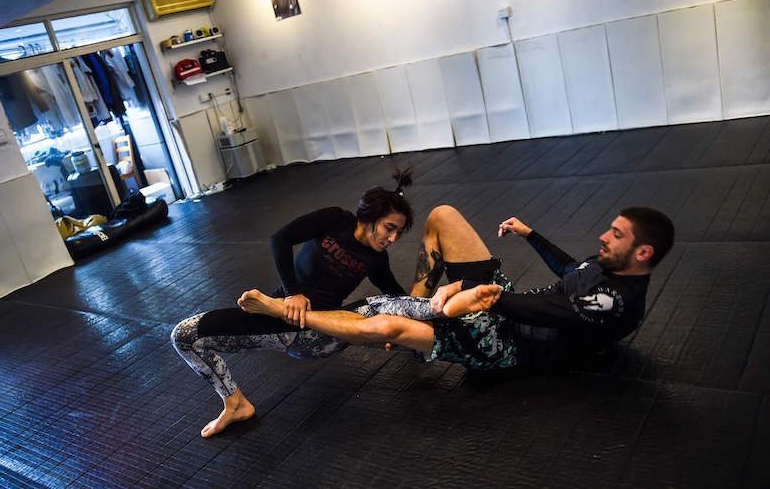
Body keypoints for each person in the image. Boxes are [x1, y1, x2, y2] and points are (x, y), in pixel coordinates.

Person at [238, 205, 675, 372]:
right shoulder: (611, 263)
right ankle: (417, 305)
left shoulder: (614, 303)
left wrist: (476, 294)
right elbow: (571, 270)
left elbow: (540, 314)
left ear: (643, 253)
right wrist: (530, 234)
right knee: (443, 216)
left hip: (507, 345)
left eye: (616, 235)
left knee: (388, 324)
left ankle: (292, 315)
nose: (604, 237)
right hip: (504, 303)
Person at [171, 167, 414, 437]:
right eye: (389, 228)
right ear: (370, 216)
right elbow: (281, 239)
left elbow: (396, 293)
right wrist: (292, 293)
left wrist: (404, 330)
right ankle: (235, 404)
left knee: (388, 306)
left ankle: (436, 327)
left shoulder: (377, 259)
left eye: (398, 233)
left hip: (320, 333)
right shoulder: (336, 220)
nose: (393, 239)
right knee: (184, 335)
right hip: (282, 318)